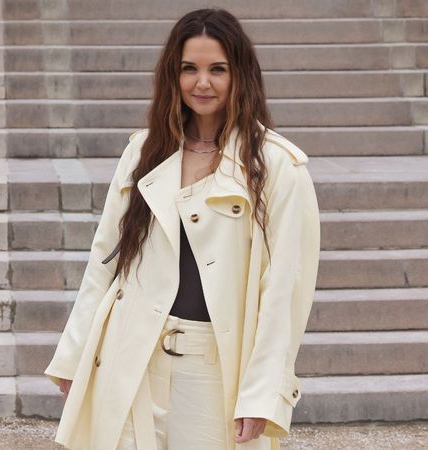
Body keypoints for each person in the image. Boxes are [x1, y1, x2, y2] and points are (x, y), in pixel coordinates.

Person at [44, 7, 320, 450]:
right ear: (173, 75)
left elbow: (284, 290)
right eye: (188, 68)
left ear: (240, 75)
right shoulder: (143, 152)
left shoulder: (277, 167)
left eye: (218, 69)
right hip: (130, 353)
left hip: (211, 367)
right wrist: (74, 355)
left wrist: (262, 394)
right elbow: (105, 259)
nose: (202, 83)